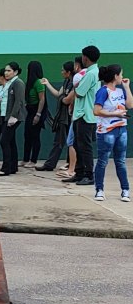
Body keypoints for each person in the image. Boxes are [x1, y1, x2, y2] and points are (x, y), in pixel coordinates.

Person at [92, 64, 132, 202]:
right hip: (106, 131)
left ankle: (125, 190)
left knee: (120, 161)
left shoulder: (120, 91)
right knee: (103, 161)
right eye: (121, 74)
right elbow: (96, 111)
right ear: (115, 76)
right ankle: (99, 190)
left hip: (121, 129)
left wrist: (127, 87)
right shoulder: (103, 91)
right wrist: (114, 113)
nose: (122, 77)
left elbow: (130, 105)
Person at [67, 45, 102, 185]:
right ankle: (79, 173)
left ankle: (89, 175)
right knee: (77, 144)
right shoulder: (93, 72)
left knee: (85, 146)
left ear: (85, 58)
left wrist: (76, 84)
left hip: (85, 115)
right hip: (82, 114)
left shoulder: (91, 74)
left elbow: (80, 92)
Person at [37, 60, 78, 173]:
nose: (61, 72)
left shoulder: (75, 83)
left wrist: (64, 100)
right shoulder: (65, 82)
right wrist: (48, 84)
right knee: (60, 141)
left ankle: (70, 163)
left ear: (68, 72)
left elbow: (67, 99)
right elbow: (59, 95)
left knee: (70, 141)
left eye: (63, 70)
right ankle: (51, 163)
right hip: (62, 116)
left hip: (70, 115)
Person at [0, 62, 26, 177]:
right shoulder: (10, 83)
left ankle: (6, 168)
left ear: (16, 72)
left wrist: (13, 116)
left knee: (4, 141)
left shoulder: (18, 83)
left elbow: (19, 101)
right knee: (11, 141)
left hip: (13, 117)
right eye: (6, 71)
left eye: (9, 71)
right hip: (7, 115)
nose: (6, 73)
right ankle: (13, 166)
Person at [22, 60, 47, 167]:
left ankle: (33, 160)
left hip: (37, 110)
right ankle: (25, 159)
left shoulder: (38, 82)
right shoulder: (29, 82)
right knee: (27, 135)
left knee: (35, 136)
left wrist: (38, 114)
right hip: (29, 109)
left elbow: (42, 99)